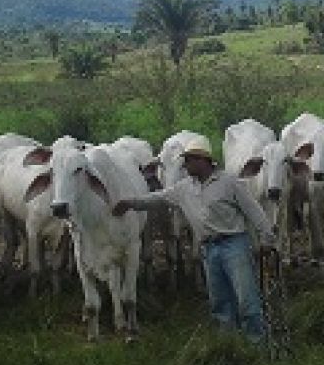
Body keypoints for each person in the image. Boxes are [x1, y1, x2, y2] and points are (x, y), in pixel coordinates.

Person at [111, 134, 276, 342]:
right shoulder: (184, 188)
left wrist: (267, 239)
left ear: (202, 160)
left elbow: (255, 211)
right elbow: (158, 199)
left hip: (234, 245)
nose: (185, 165)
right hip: (209, 248)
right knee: (220, 302)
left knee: (246, 299)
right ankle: (229, 346)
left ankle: (256, 345)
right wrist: (129, 203)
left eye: (188, 160)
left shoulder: (230, 182)